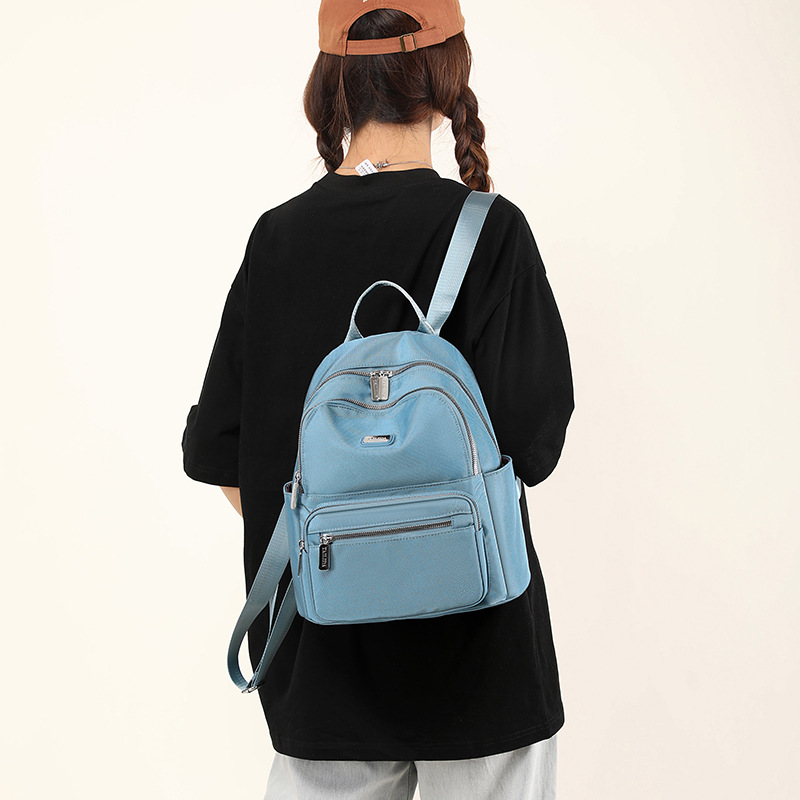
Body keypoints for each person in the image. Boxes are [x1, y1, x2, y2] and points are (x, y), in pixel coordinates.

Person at [181, 1, 575, 797]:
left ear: (330, 80)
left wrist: (353, 545)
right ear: (449, 73)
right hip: (481, 662)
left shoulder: (276, 240)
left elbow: (224, 456)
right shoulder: (494, 232)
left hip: (321, 666)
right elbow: (534, 446)